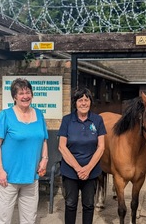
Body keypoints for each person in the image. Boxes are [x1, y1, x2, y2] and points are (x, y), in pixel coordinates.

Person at [0, 78, 48, 224]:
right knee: (2, 219)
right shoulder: (5, 115)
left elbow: (44, 139)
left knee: (29, 219)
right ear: (14, 97)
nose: (25, 96)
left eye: (28, 92)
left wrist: (44, 159)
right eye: (21, 93)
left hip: (31, 176)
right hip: (7, 178)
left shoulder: (39, 115)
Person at [58, 87, 106, 224]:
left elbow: (101, 147)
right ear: (75, 103)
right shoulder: (67, 120)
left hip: (91, 172)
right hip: (70, 171)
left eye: (87, 100)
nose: (83, 103)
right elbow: (62, 146)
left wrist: (88, 168)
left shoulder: (97, 120)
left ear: (90, 102)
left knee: (89, 205)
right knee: (71, 204)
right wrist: (79, 168)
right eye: (80, 100)